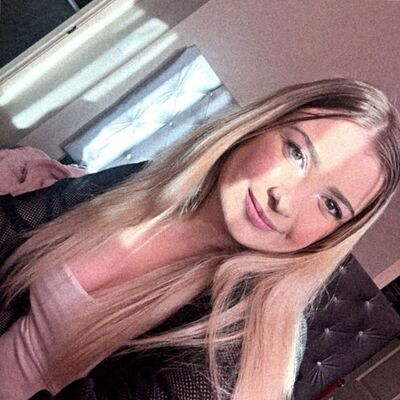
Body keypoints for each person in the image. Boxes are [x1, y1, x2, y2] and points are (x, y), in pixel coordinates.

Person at [0, 78, 399, 400]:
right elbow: (13, 228)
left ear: (334, 236)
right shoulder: (149, 185)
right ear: (262, 124)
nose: (285, 200)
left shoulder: (233, 343)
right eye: (298, 153)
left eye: (330, 205)